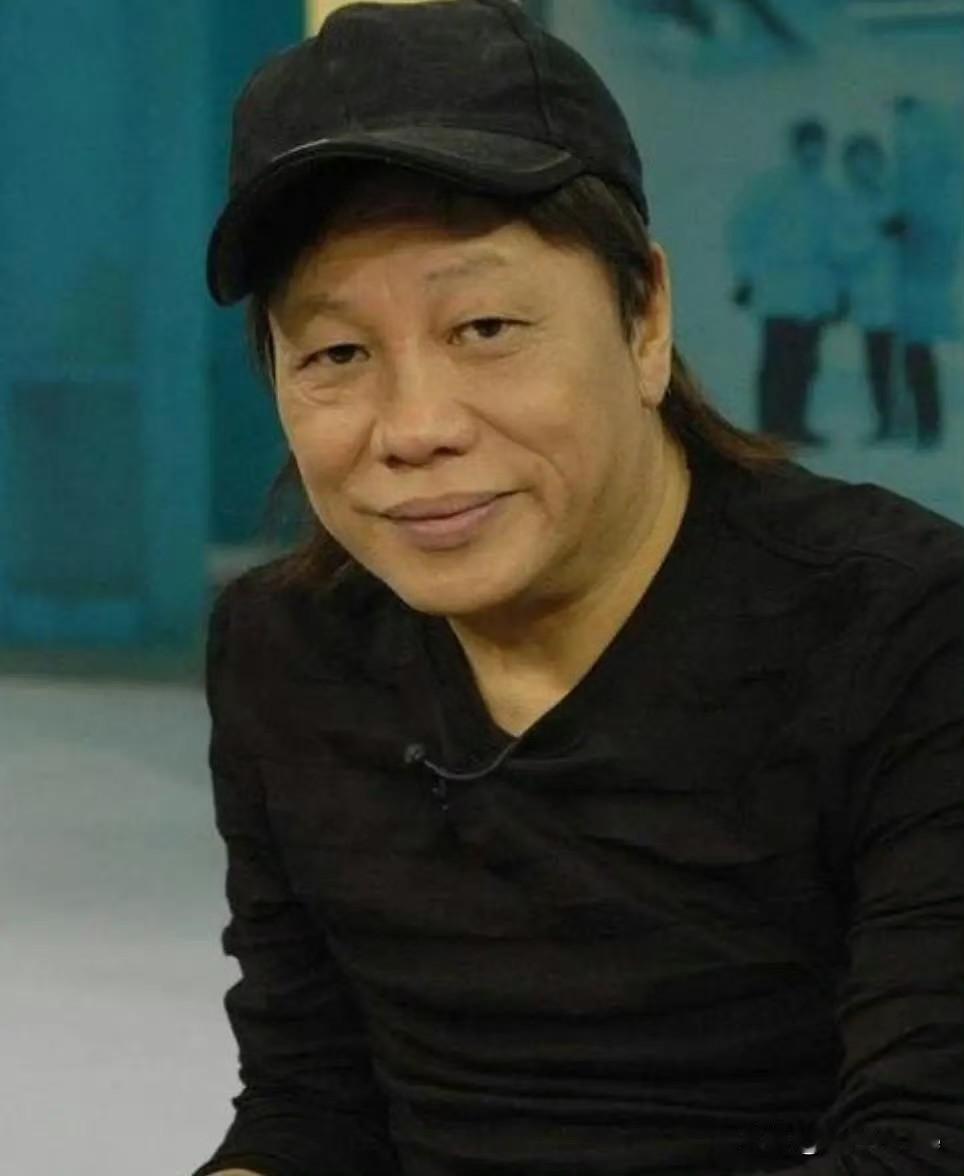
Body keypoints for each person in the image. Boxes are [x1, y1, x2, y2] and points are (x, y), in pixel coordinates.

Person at [191, 3, 964, 1174]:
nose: (415, 427)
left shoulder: (907, 633)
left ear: (644, 320)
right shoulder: (284, 649)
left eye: (485, 326)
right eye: (337, 354)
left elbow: (922, 1141)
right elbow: (311, 1101)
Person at [727, 119, 841, 447]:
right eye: (807, 144)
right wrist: (746, 275)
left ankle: (797, 425)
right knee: (777, 359)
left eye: (818, 145)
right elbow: (742, 230)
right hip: (778, 287)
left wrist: (835, 295)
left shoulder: (826, 194)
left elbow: (835, 249)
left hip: (812, 292)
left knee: (806, 362)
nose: (813, 152)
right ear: (796, 147)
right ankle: (771, 429)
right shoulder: (771, 188)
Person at [891, 96, 964, 450]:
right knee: (916, 347)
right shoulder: (922, 172)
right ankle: (924, 426)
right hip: (921, 276)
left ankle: (926, 426)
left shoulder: (940, 172)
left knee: (918, 347)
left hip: (933, 273)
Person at [834, 133, 905, 445]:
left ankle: (909, 423)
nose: (865, 168)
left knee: (908, 364)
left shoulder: (895, 198)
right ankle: (886, 422)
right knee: (879, 363)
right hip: (871, 299)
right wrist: (878, 235)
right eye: (858, 162)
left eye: (871, 161)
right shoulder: (846, 206)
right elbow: (843, 249)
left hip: (903, 299)